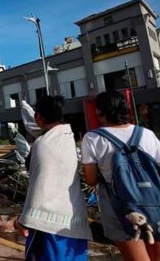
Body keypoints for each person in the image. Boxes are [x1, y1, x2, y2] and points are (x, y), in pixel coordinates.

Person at [81, 91, 160, 261]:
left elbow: (91, 179)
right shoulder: (147, 134)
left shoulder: (92, 138)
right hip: (158, 205)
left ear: (99, 112)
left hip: (120, 209)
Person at [16, 96, 92, 261]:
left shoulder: (42, 144)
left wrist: (24, 219)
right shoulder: (67, 136)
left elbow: (39, 184)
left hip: (48, 224)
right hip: (73, 218)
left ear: (38, 117)